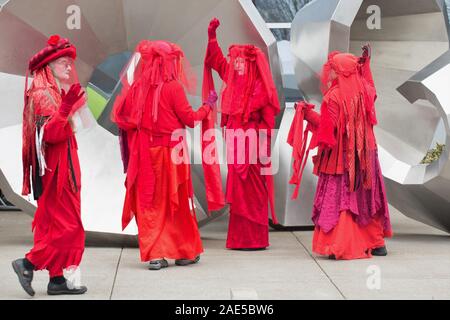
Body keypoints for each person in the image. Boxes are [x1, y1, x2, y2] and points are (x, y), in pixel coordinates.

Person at [112, 40, 220, 270]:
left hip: (145, 155)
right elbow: (190, 119)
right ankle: (183, 251)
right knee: (176, 204)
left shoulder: (138, 87)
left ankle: (155, 255)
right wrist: (208, 106)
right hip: (171, 155)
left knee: (149, 202)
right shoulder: (173, 88)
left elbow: (124, 118)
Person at [288, 45, 393, 260]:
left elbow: (328, 131)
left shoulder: (333, 97)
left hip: (342, 158)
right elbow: (371, 89)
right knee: (366, 196)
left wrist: (306, 114)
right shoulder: (365, 89)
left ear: (339, 71)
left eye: (333, 69)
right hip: (367, 153)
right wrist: (366, 63)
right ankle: (376, 242)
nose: (330, 73)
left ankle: (342, 244)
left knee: (343, 198)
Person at [12, 34, 87, 296]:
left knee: (56, 225)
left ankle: (56, 280)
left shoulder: (52, 90)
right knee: (69, 227)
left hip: (61, 167)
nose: (69, 67)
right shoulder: (44, 93)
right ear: (50, 65)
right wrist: (67, 108)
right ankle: (28, 263)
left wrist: (70, 106)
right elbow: (52, 136)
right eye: (64, 62)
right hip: (58, 171)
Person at [204, 18, 280, 250]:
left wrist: (254, 144)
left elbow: (268, 123)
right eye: (234, 62)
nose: (234, 65)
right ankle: (239, 239)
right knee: (238, 193)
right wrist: (212, 38)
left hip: (253, 151)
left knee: (254, 192)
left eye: (238, 62)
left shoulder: (260, 88)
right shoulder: (235, 80)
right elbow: (216, 62)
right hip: (237, 148)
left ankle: (255, 240)